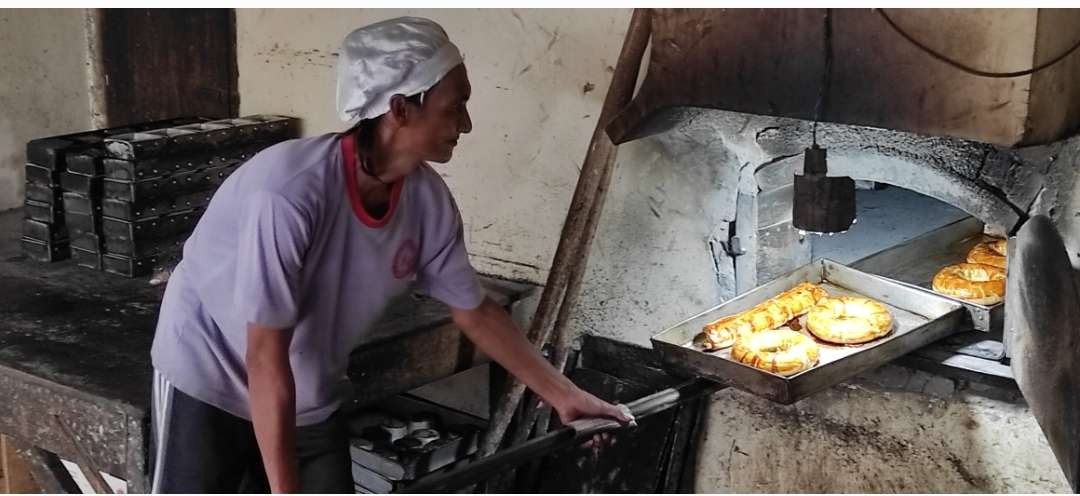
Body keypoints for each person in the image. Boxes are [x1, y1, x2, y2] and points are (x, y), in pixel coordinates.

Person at [148, 16, 632, 494]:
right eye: (454, 106)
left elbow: (476, 312)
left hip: (307, 387)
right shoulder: (288, 194)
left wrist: (563, 395)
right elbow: (264, 357)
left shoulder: (426, 201)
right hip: (209, 374)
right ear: (400, 108)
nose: (465, 123)